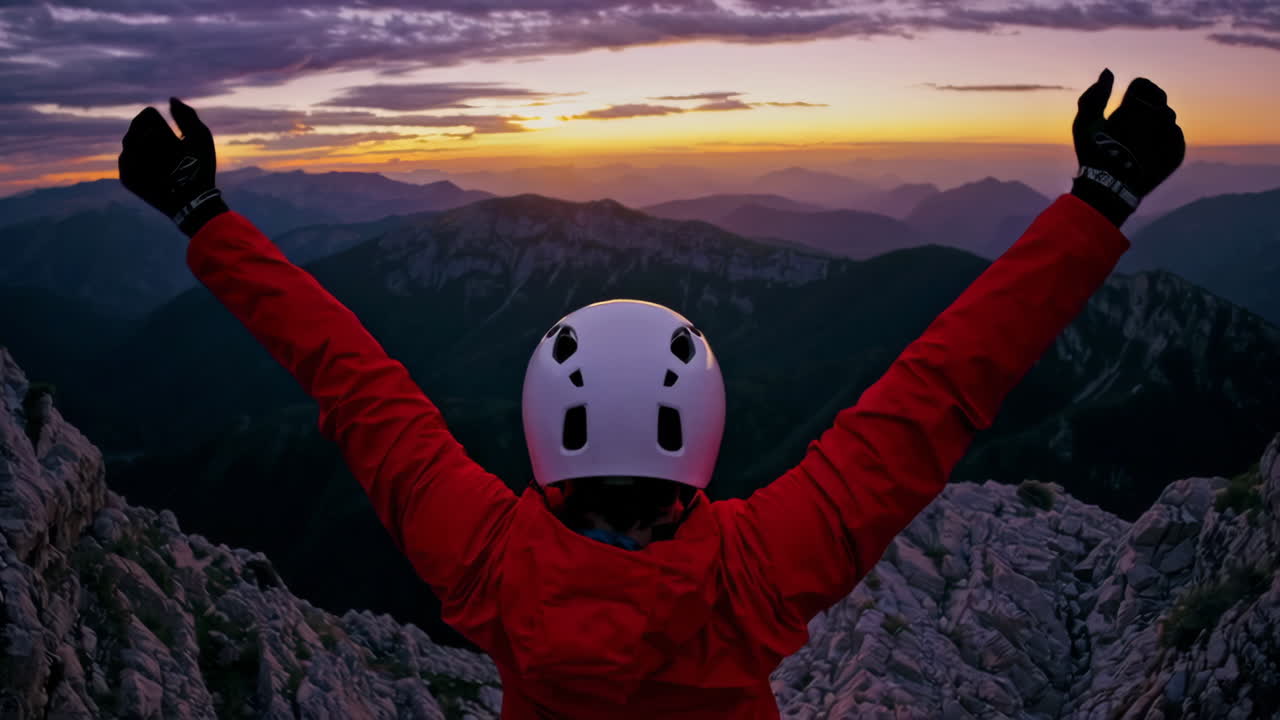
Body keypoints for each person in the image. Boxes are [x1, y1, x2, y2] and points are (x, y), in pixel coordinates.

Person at [118, 68, 1184, 718]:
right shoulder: (759, 575)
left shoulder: (487, 561)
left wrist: (204, 214)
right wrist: (1098, 200)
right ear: (704, 432)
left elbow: (349, 378)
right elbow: (941, 387)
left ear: (542, 430)